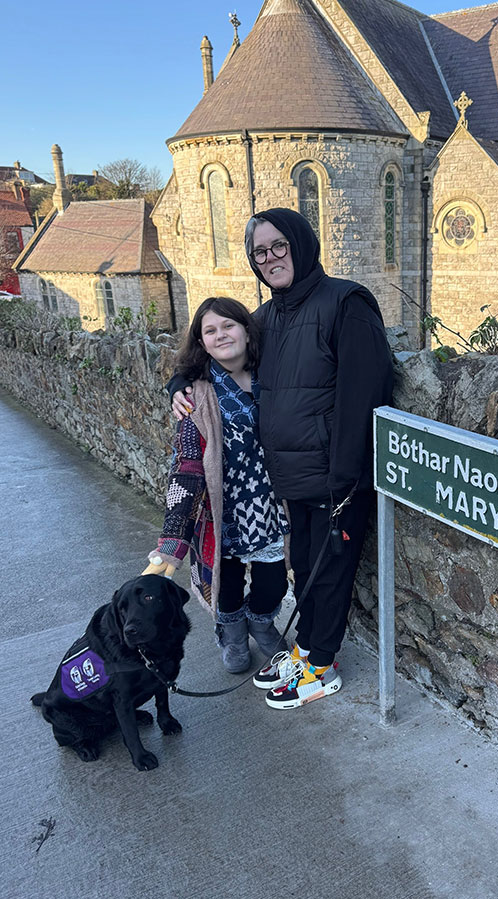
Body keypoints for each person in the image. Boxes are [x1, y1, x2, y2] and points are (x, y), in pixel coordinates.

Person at [170, 208, 393, 710]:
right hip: (291, 478)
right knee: (306, 568)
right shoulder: (266, 319)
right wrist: (179, 385)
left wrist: (347, 475)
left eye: (278, 247)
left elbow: (365, 391)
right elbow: (213, 356)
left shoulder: (346, 302)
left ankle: (322, 665)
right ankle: (307, 650)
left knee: (331, 571)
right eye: (259, 252)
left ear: (300, 243)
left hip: (340, 478)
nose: (270, 258)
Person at [146, 296, 290, 675]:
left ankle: (261, 624)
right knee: (225, 584)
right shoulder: (195, 396)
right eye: (210, 330)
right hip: (219, 508)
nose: (221, 335)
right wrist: (172, 541)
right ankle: (233, 636)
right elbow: (188, 466)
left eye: (228, 325)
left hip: (267, 504)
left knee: (272, 582)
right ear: (201, 342)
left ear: (246, 329)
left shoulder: (272, 375)